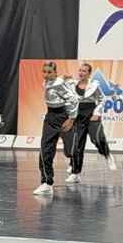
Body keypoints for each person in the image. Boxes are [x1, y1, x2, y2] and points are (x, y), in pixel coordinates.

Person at [67, 63, 117, 182]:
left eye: (84, 71)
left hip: (91, 114)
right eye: (80, 70)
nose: (81, 73)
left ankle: (107, 155)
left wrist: (97, 113)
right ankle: (75, 173)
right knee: (77, 145)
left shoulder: (94, 85)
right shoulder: (72, 84)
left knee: (98, 139)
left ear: (89, 74)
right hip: (78, 115)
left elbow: (102, 100)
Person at [34, 61, 78, 195]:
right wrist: (63, 77)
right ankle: (47, 183)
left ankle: (75, 168)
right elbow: (56, 81)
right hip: (50, 116)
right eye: (44, 72)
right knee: (45, 149)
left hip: (63, 115)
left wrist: (71, 119)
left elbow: (73, 99)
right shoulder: (48, 81)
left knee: (70, 150)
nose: (46, 74)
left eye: (49, 72)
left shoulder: (59, 84)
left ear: (55, 72)